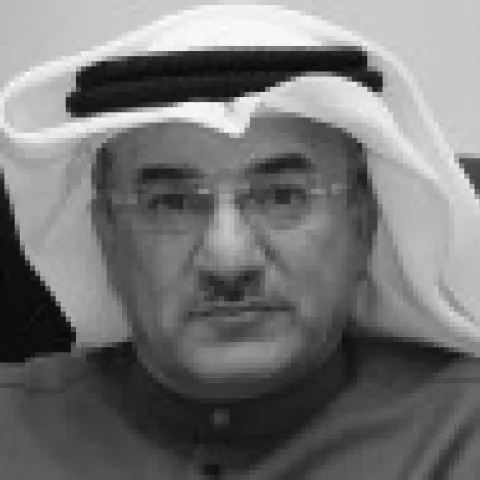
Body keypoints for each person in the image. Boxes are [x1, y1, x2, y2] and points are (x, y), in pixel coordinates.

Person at [1, 3, 480, 479]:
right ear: (107, 235)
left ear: (363, 223)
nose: (228, 261)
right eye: (172, 203)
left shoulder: (459, 437)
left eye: (282, 196)